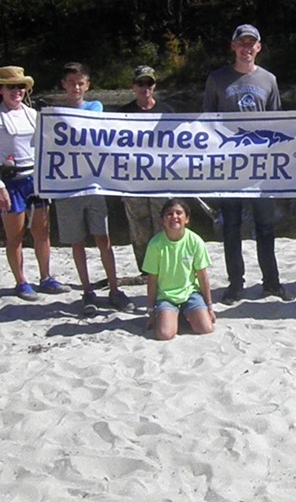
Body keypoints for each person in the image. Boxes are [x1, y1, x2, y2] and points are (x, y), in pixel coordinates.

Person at [203, 24, 293, 304]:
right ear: (233, 47)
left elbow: (277, 121)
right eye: (241, 42)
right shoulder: (217, 79)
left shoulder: (269, 80)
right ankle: (235, 284)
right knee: (231, 226)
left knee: (266, 226)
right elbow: (206, 123)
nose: (246, 48)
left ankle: (272, 282)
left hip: (262, 169)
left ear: (258, 47)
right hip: (229, 166)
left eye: (251, 43)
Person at [0, 66, 70, 301]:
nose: (16, 91)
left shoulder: (32, 115)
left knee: (42, 231)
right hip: (11, 181)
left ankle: (46, 276)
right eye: (11, 87)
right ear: (1, 90)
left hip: (35, 179)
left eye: (20, 87)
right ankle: (21, 281)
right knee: (15, 235)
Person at [54, 62, 135, 315]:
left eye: (81, 83)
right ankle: (87, 290)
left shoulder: (94, 107)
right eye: (72, 83)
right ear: (63, 85)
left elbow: (95, 126)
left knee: (103, 238)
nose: (76, 87)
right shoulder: (54, 114)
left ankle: (114, 288)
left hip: (93, 184)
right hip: (67, 187)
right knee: (77, 241)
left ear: (87, 85)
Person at [120, 65, 175, 272]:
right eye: (140, 83)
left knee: (166, 223)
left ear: (154, 85)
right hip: (134, 182)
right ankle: (146, 270)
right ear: (133, 86)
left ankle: (167, 267)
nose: (145, 87)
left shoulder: (167, 112)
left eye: (149, 83)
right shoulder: (123, 114)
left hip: (162, 179)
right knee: (139, 227)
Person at [144, 199, 215, 340]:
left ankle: (186, 313)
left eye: (179, 213)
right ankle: (173, 315)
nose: (174, 217)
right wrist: (151, 311)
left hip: (190, 294)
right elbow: (151, 280)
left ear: (186, 219)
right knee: (164, 334)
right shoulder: (155, 244)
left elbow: (202, 276)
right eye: (169, 214)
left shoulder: (195, 241)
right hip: (166, 296)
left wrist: (209, 306)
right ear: (163, 220)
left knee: (206, 328)